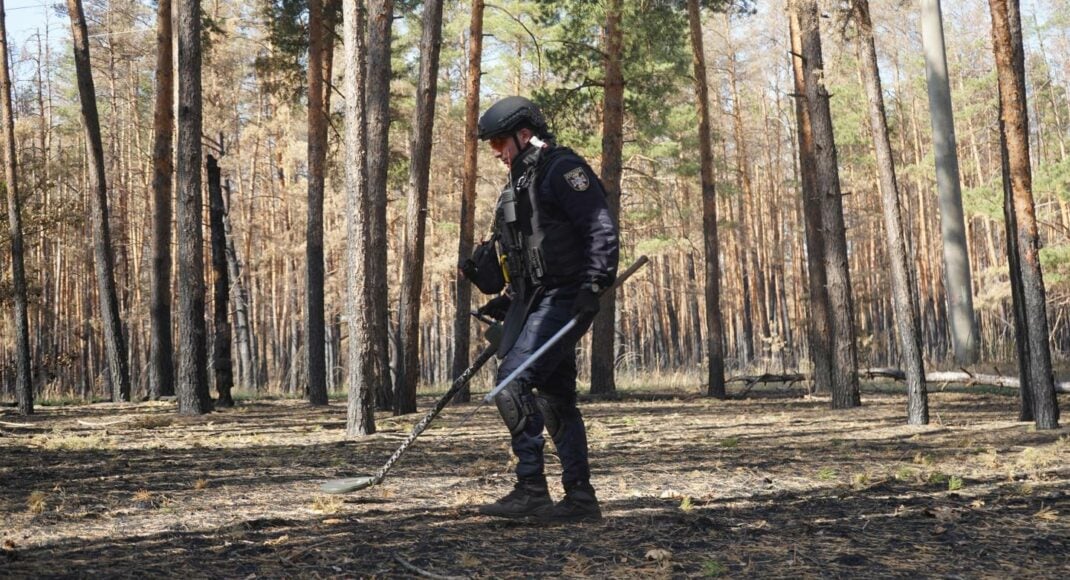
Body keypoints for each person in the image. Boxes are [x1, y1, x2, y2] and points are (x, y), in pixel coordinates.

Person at [462, 96, 619, 523]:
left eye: (499, 141)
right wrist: (509, 296)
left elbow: (599, 227)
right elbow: (532, 252)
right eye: (492, 144)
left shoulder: (562, 170)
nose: (496, 151)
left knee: (511, 382)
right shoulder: (519, 183)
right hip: (537, 298)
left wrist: (595, 283)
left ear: (524, 134)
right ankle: (580, 499)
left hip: (567, 297)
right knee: (554, 398)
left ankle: (531, 488)